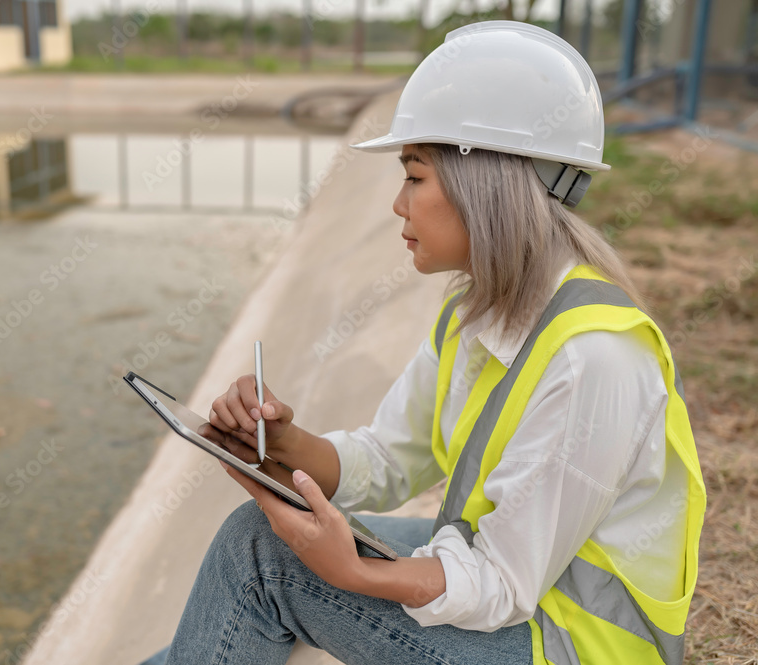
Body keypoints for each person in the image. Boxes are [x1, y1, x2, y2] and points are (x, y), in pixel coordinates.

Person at [140, 20, 705, 665]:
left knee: (261, 554)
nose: (397, 205)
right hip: (526, 593)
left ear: (484, 184)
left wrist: (354, 573)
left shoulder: (593, 358)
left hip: (570, 645)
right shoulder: (477, 312)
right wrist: (279, 443)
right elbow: (387, 460)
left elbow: (500, 583)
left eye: (414, 176)